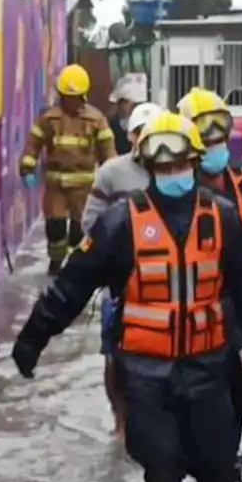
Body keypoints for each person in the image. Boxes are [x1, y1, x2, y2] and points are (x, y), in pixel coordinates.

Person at [10, 112, 242, 482]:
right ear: (148, 168)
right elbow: (72, 285)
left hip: (208, 368)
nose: (173, 175)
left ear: (194, 163)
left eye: (180, 166)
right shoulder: (119, 223)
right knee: (162, 474)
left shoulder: (223, 220)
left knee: (219, 471)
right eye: (163, 168)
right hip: (147, 375)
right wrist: (33, 338)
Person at [177, 86, 242, 482]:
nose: (218, 145)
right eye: (208, 138)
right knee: (215, 411)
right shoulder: (186, 196)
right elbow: (203, 265)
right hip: (213, 316)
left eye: (222, 136)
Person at [82, 101, 165, 438]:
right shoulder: (111, 173)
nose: (146, 140)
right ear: (130, 135)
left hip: (165, 280)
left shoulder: (177, 169)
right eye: (140, 133)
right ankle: (121, 421)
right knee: (114, 354)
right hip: (120, 282)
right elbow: (90, 222)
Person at [20, 63, 115, 276]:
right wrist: (27, 166)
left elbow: (108, 149)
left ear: (83, 96)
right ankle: (55, 262)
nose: (71, 102)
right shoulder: (49, 119)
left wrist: (112, 178)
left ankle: (75, 265)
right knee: (55, 227)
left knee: (78, 230)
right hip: (56, 185)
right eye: (67, 97)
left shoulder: (95, 119)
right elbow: (33, 143)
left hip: (84, 186)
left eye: (76, 97)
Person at [107, 73, 148, 155]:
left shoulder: (146, 126)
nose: (119, 107)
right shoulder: (112, 125)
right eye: (119, 103)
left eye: (123, 102)